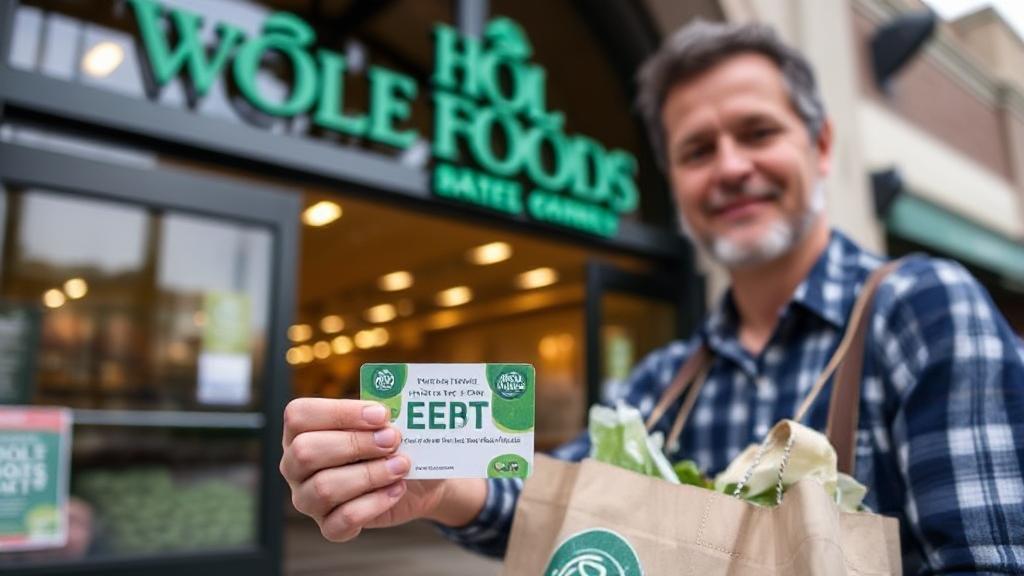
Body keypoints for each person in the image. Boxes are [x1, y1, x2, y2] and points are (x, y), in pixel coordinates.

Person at [279, 20, 1024, 573]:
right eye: (697, 150)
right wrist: (433, 489)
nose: (730, 167)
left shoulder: (922, 310)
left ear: (822, 147)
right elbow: (552, 501)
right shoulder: (661, 382)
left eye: (757, 132)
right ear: (676, 184)